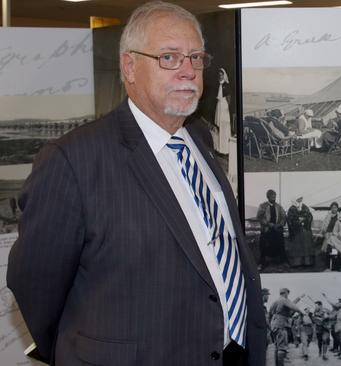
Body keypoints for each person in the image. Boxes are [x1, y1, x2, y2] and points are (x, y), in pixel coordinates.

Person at [6, 2, 265, 365]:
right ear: (129, 66)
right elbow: (35, 284)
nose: (188, 71)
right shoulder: (73, 160)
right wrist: (81, 349)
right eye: (170, 58)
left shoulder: (201, 140)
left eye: (195, 57)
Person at [269, 288, 303, 366]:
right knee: (282, 348)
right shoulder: (284, 300)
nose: (288, 296)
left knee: (277, 347)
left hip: (274, 325)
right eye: (288, 294)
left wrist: (299, 298)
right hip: (281, 325)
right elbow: (294, 307)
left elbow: (270, 314)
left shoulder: (276, 301)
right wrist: (302, 312)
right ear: (285, 293)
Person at [257, 189, 287, 269]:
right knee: (264, 245)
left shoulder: (278, 206)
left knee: (280, 243)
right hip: (267, 229)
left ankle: (281, 261)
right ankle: (262, 262)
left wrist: (280, 224)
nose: (274, 198)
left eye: (274, 196)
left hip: (277, 229)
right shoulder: (263, 206)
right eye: (272, 196)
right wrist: (268, 224)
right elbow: (259, 217)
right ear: (268, 197)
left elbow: (284, 216)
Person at [286, 196, 315, 267]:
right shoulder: (292, 208)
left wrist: (305, 220)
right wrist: (298, 222)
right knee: (297, 247)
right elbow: (290, 219)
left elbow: (310, 216)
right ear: (295, 199)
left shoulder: (305, 207)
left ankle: (307, 262)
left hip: (305, 229)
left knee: (306, 246)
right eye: (298, 199)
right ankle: (297, 263)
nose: (300, 200)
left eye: (301, 198)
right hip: (296, 232)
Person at [213, 67, 231, 155]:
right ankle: (219, 148)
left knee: (224, 127)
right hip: (219, 105)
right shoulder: (218, 85)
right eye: (219, 75)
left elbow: (228, 98)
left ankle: (225, 149)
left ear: (224, 76)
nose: (220, 76)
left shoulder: (226, 85)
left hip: (224, 106)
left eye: (221, 75)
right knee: (218, 126)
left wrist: (228, 109)